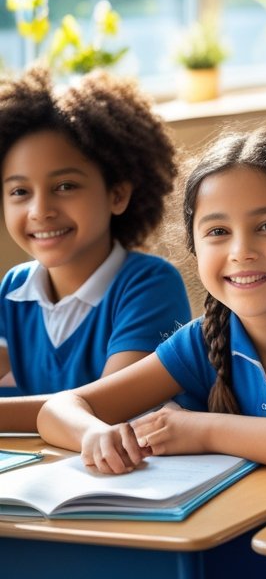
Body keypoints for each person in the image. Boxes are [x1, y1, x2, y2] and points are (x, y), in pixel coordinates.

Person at [37, 131, 266, 479]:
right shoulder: (202, 342)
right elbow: (59, 409)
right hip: (245, 528)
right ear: (196, 251)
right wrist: (92, 434)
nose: (241, 252)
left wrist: (203, 431)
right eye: (218, 232)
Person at [0, 67, 189, 431]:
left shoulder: (150, 285)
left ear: (117, 194)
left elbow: (105, 408)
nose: (40, 211)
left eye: (66, 186)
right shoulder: (13, 289)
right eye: (20, 192)